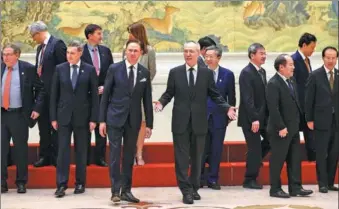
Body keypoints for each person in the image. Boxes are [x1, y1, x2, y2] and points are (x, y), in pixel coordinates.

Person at [154, 41, 237, 204]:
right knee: (182, 158)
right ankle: (185, 190)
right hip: (180, 122)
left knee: (198, 158)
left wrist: (227, 107)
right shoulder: (175, 72)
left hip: (199, 122)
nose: (188, 54)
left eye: (191, 51)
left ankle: (194, 187)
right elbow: (169, 93)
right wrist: (161, 103)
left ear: (199, 53)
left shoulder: (206, 73)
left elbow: (215, 95)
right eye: (185, 51)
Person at [99, 39, 153, 203]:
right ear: (125, 51)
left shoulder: (144, 72)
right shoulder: (114, 69)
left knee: (129, 156)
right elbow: (106, 95)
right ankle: (115, 191)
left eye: (136, 51)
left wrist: (149, 124)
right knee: (115, 155)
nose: (132, 53)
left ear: (141, 53)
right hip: (114, 118)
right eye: (130, 50)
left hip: (134, 120)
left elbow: (147, 100)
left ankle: (126, 191)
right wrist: (102, 120)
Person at [50, 40, 99, 198]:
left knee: (81, 151)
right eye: (67, 53)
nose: (69, 56)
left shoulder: (89, 70)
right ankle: (61, 184)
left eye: (72, 53)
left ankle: (80, 183)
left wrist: (94, 119)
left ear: (80, 53)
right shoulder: (60, 69)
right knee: (63, 151)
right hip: (63, 116)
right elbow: (54, 95)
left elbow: (94, 98)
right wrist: (53, 117)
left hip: (83, 117)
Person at [266, 54, 313, 198]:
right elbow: (273, 108)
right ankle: (275, 189)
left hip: (293, 129)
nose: (293, 67)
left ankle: (296, 187)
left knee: (294, 159)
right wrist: (281, 126)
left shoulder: (291, 81)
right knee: (278, 160)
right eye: (291, 64)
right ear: (281, 67)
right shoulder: (273, 83)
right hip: (280, 130)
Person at [1, 44, 45, 193]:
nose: (5, 57)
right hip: (2, 115)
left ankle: (21, 182)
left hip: (19, 115)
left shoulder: (27, 68)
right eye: (4, 54)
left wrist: (37, 109)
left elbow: (41, 90)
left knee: (20, 150)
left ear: (17, 55)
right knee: (2, 150)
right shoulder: (1, 68)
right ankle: (2, 182)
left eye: (8, 54)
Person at [29, 21, 67, 167]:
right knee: (43, 127)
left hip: (55, 95)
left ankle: (57, 157)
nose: (33, 39)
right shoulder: (40, 48)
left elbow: (63, 68)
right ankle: (45, 156)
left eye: (33, 36)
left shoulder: (57, 44)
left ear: (38, 33)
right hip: (42, 94)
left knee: (55, 128)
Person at [200, 45, 236, 189]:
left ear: (218, 58)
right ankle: (199, 178)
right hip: (201, 118)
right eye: (206, 56)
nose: (208, 59)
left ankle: (213, 179)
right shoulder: (199, 73)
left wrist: (229, 116)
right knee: (201, 150)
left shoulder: (228, 74)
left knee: (216, 149)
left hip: (219, 118)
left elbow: (231, 98)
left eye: (211, 56)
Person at [305, 46, 339, 193]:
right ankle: (322, 183)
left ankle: (331, 182)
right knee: (322, 152)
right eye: (328, 57)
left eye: (333, 58)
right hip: (320, 121)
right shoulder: (315, 75)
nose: (331, 60)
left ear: (337, 58)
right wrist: (309, 119)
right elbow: (308, 99)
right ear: (323, 58)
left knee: (334, 153)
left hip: (337, 121)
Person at [238, 43, 270, 189]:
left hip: (263, 117)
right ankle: (249, 179)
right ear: (252, 55)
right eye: (261, 53)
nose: (264, 56)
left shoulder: (261, 72)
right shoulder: (246, 72)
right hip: (251, 119)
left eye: (264, 53)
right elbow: (247, 99)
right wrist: (254, 118)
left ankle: (254, 160)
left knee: (270, 140)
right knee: (254, 148)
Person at [81, 24, 114, 167]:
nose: (101, 36)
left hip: (102, 97)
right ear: (90, 36)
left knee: (102, 126)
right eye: (98, 33)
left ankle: (100, 157)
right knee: (85, 127)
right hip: (85, 97)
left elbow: (112, 73)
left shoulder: (106, 51)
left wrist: (105, 87)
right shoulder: (80, 51)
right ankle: (86, 157)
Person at [124, 22, 156, 165]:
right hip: (126, 92)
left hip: (142, 92)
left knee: (142, 123)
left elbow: (152, 71)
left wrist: (142, 84)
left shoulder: (149, 51)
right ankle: (129, 153)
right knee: (128, 122)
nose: (129, 35)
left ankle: (139, 154)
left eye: (131, 32)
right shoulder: (127, 48)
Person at [292, 33, 317, 161]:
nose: (314, 50)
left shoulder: (307, 60)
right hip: (297, 106)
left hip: (308, 105)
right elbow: (294, 85)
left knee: (310, 132)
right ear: (304, 45)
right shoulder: (293, 60)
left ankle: (313, 157)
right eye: (312, 47)